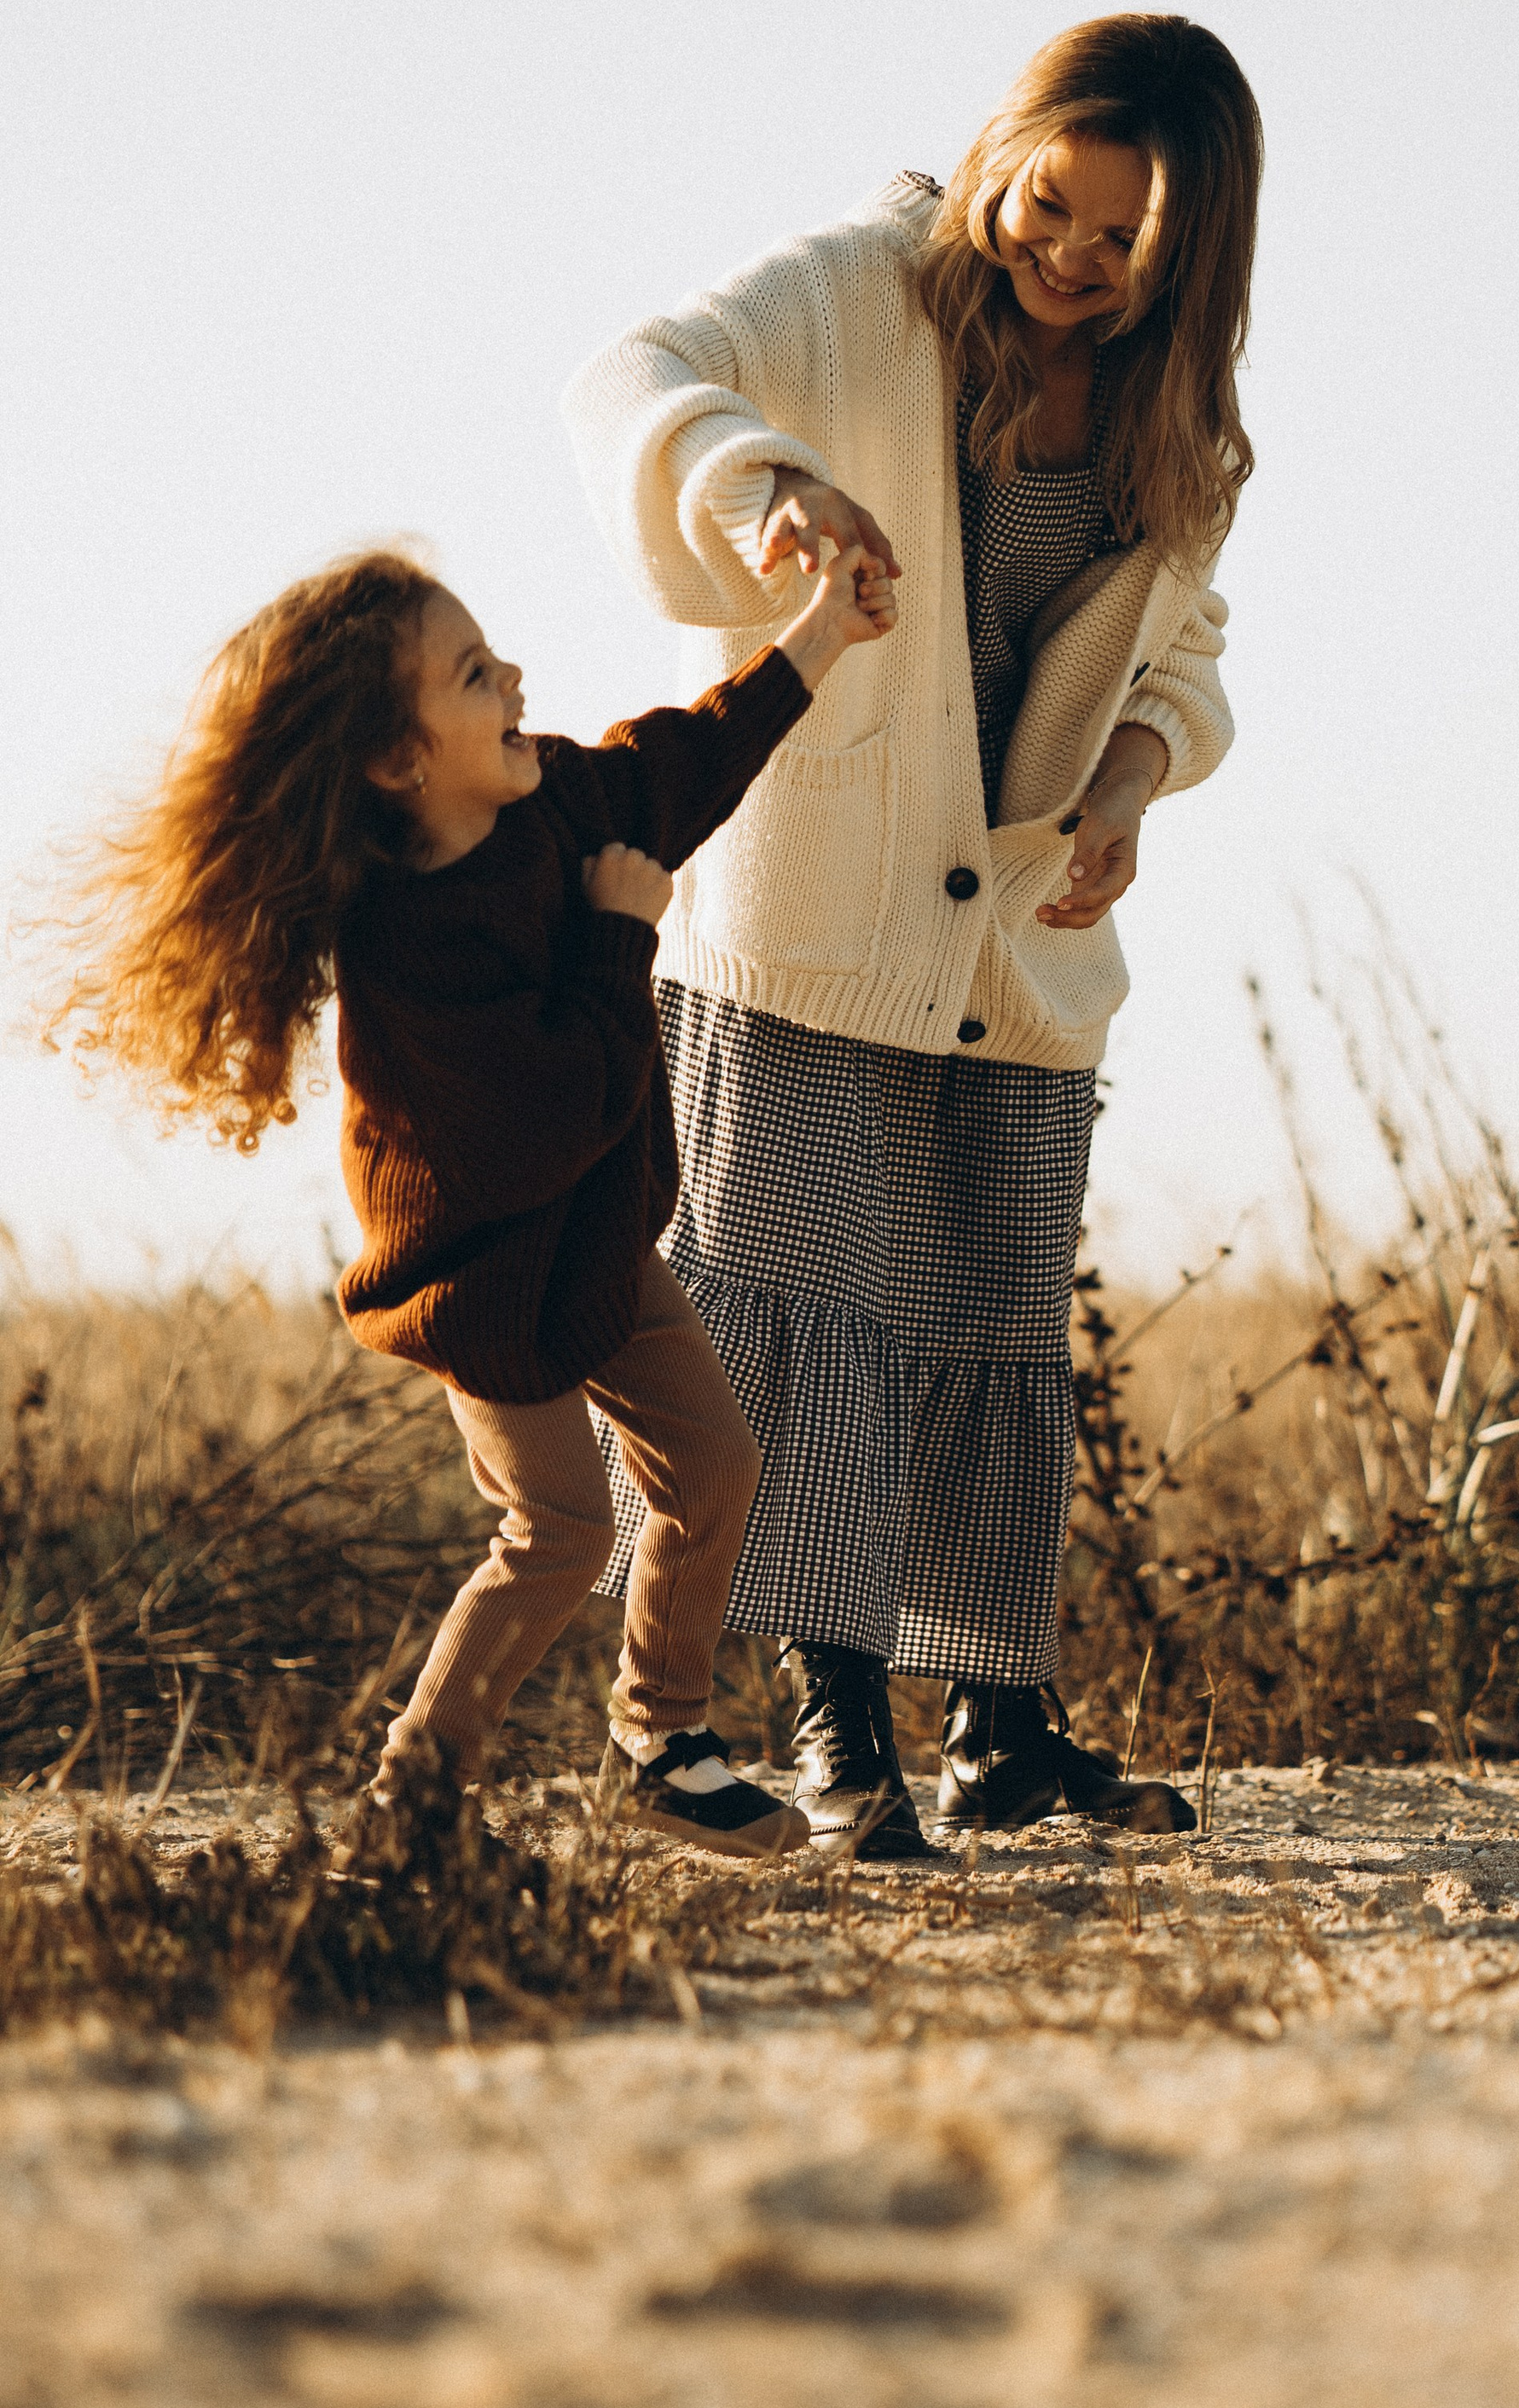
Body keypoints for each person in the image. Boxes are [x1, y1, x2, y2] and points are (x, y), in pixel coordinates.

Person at [564, 11, 1261, 1856]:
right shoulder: (861, 285)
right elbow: (635, 369)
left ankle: (1002, 1735)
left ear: (1185, 261)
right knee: (801, 1331)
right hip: (804, 911)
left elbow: (1180, 664)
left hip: (1015, 956)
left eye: (1123, 245)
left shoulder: (1176, 416)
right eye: (1050, 203)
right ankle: (832, 1732)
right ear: (1004, 148)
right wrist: (760, 480)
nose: (1068, 255)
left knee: (981, 1335)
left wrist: (1121, 791)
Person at [44, 538, 896, 1850]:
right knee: (558, 1527)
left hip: (601, 1244)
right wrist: (623, 937)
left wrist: (819, 635)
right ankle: (415, 1794)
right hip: (486, 1278)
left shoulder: (554, 798)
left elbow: (685, 761)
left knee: (712, 1464)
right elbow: (551, 1115)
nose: (515, 679)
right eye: (473, 672)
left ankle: (662, 1741)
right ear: (400, 762)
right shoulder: (413, 951)